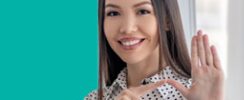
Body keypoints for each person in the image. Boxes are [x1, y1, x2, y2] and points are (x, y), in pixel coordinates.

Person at [85, 0, 224, 100]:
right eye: (113, 13)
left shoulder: (197, 94)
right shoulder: (94, 98)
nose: (127, 28)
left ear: (167, 20)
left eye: (142, 11)